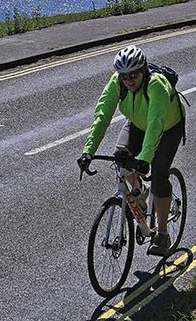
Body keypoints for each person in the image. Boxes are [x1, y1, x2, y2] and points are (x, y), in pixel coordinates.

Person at [78, 45, 185, 256]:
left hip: (167, 126)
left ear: (143, 70)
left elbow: (156, 124)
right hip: (138, 123)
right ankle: (141, 193)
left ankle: (162, 234)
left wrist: (145, 159)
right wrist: (87, 152)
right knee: (121, 155)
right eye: (124, 76)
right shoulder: (118, 83)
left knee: (159, 174)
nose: (129, 80)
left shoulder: (156, 85)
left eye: (133, 75)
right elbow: (102, 116)